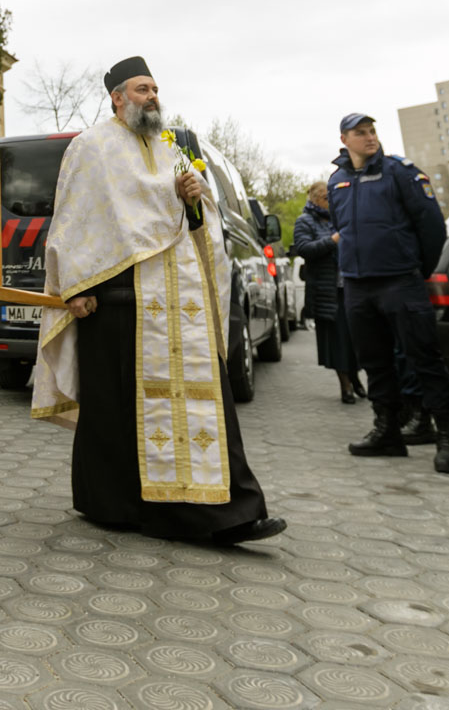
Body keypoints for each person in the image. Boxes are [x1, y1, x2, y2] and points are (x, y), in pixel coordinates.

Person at [31, 57, 284, 544]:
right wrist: (74, 289)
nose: (153, 97)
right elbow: (73, 223)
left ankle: (228, 512)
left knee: (207, 405)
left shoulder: (171, 149)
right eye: (143, 89)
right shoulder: (91, 147)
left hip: (177, 303)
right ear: (117, 98)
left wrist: (193, 199)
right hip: (118, 304)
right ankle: (112, 506)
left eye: (155, 89)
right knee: (116, 412)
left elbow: (200, 224)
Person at [326, 113, 449, 473]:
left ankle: (448, 439)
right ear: (345, 139)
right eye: (361, 133)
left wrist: (416, 270)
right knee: (375, 362)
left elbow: (432, 225)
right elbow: (342, 230)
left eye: (372, 131)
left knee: (424, 358)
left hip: (400, 281)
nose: (370, 137)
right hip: (358, 284)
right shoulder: (337, 180)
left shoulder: (400, 171)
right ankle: (387, 430)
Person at [293, 181, 363, 404]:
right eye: (326, 198)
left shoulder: (340, 218)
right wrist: (333, 241)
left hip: (351, 287)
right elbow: (303, 249)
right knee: (337, 340)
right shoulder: (305, 221)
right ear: (315, 200)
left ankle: (355, 377)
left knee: (356, 338)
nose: (331, 202)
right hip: (327, 291)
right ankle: (346, 385)